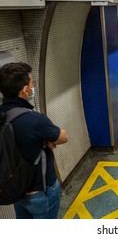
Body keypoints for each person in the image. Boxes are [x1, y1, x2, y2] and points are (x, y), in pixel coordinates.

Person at [0, 62, 68, 219]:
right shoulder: (33, 120)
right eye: (32, 83)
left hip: (15, 189)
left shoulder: (2, 116)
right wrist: (46, 142)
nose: (33, 86)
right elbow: (63, 137)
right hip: (40, 193)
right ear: (25, 90)